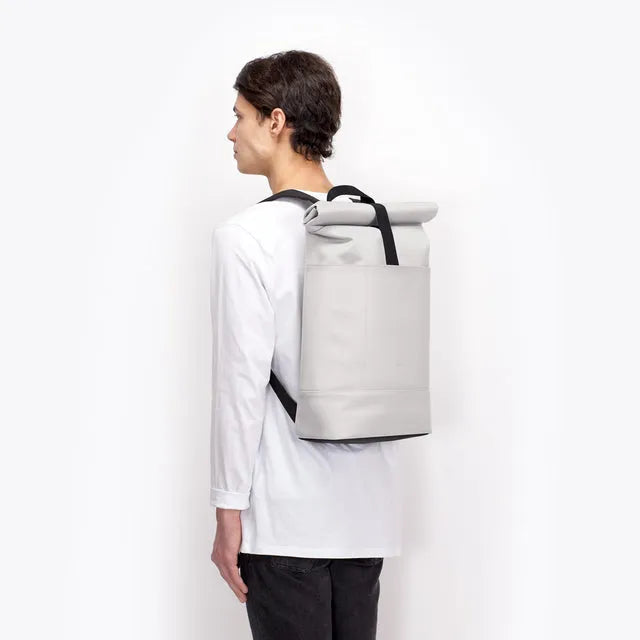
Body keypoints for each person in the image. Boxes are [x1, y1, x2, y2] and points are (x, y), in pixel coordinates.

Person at [209, 50, 402, 640]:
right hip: (366, 515)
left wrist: (227, 509)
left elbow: (241, 386)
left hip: (286, 516)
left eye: (240, 115)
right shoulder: (375, 227)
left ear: (276, 121)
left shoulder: (245, 237)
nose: (231, 132)